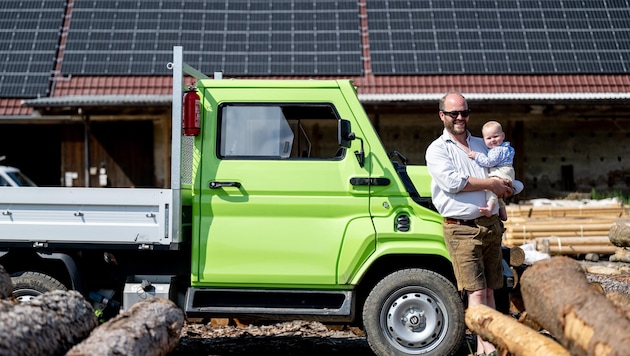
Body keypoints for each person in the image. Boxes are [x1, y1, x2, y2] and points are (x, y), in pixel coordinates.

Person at [425, 92, 513, 356]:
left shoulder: (483, 143)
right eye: (454, 113)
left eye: (464, 112)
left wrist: (505, 187)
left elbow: (502, 169)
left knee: (490, 289)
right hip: (462, 229)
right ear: (442, 116)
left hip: (490, 225)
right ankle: (484, 348)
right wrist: (491, 184)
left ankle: (491, 344)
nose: (460, 117)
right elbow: (453, 183)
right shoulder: (437, 149)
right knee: (475, 292)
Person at [467, 120, 515, 221]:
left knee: (492, 188)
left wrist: (477, 156)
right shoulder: (505, 147)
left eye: (495, 136)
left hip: (501, 171)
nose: (492, 140)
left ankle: (489, 208)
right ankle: (503, 213)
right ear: (483, 140)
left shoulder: (496, 150)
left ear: (502, 135)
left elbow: (489, 162)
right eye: (488, 138)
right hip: (507, 171)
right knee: (499, 194)